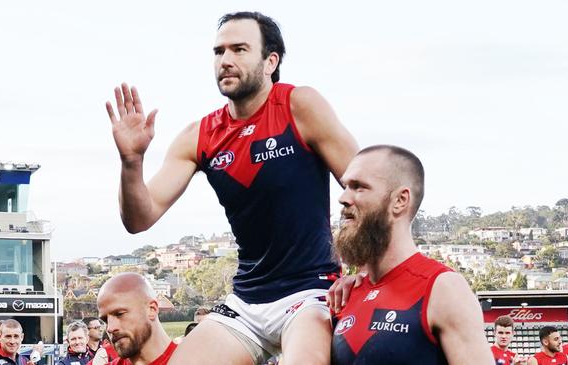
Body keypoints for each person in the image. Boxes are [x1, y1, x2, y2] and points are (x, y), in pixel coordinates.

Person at [105, 11, 357, 365]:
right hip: (247, 300)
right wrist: (131, 162)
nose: (225, 60)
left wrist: (363, 271)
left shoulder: (299, 105)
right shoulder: (200, 135)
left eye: (239, 49)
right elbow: (139, 218)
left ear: (271, 61)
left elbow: (366, 187)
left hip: (310, 292)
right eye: (218, 51)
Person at [329, 145, 493, 364]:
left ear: (400, 200)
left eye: (358, 187)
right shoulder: (348, 293)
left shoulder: (443, 289)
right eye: (346, 186)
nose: (343, 198)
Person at [97, 273, 176, 365]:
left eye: (119, 314)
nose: (110, 328)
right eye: (105, 320)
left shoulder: (191, 359)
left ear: (152, 309)